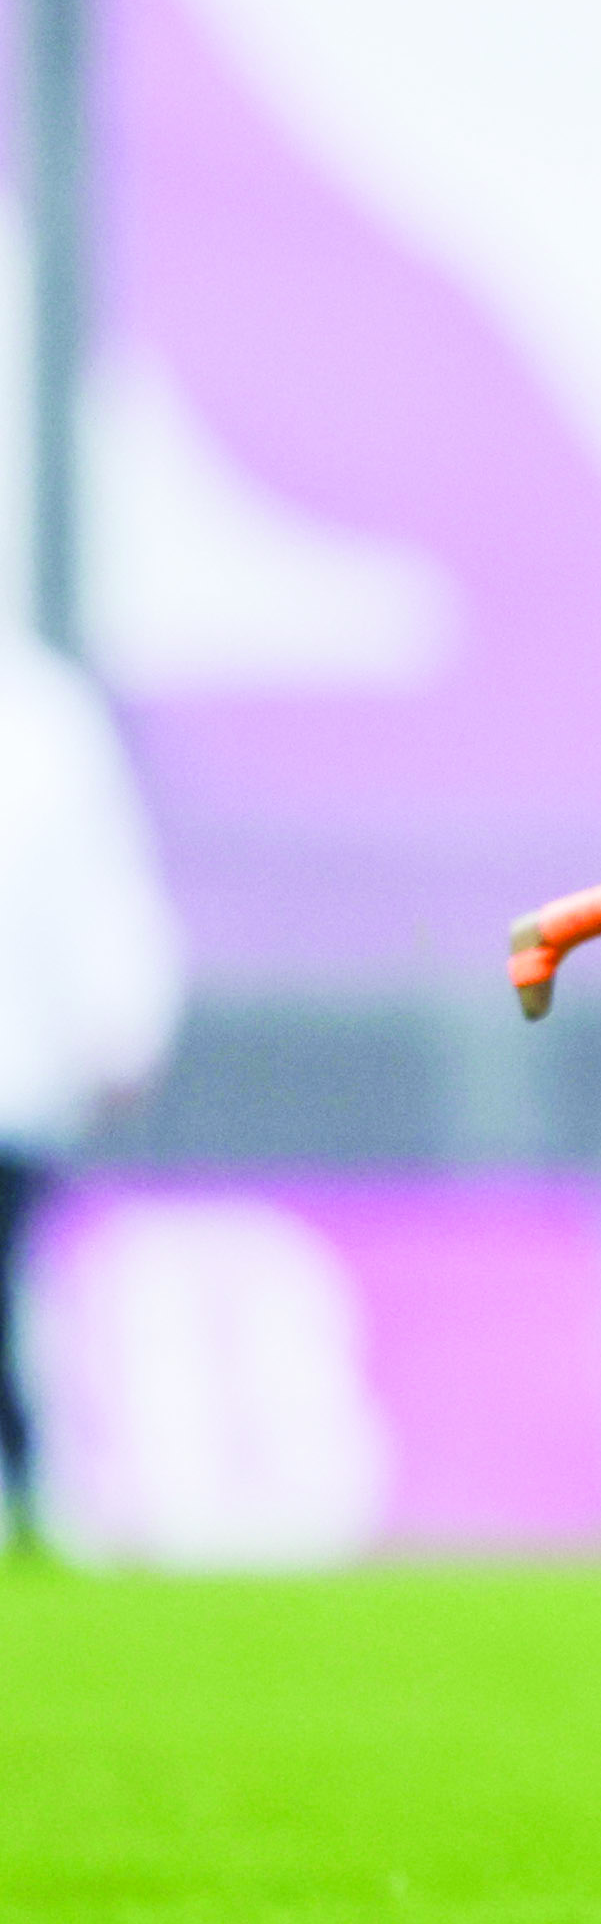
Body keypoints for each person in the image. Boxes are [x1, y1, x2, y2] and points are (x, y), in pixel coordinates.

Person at [0, 624, 187, 1554]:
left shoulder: (40, 709)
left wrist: (124, 1019)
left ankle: (30, 1493)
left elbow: (96, 883)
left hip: (13, 1075)